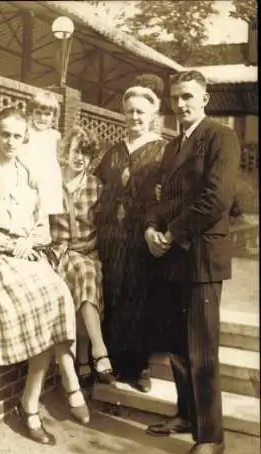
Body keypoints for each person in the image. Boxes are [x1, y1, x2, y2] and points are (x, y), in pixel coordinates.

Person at [0, 107, 90, 446]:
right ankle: (64, 383)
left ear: (24, 139)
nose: (11, 141)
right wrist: (10, 245)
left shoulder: (29, 174)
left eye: (17, 136)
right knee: (42, 298)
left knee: (59, 292)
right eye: (5, 134)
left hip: (24, 252)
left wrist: (26, 243)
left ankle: (32, 399)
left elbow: (42, 229)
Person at [144, 70, 241, 454]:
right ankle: (186, 415)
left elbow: (217, 200)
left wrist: (171, 233)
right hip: (172, 256)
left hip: (200, 256)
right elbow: (159, 196)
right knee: (178, 347)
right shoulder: (172, 146)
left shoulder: (222, 137)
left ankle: (210, 437)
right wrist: (151, 227)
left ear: (205, 97)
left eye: (188, 96)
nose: (180, 104)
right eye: (175, 98)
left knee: (202, 352)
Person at [95, 76, 168, 392]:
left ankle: (139, 368)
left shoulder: (163, 151)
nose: (134, 118)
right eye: (129, 112)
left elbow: (166, 195)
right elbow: (97, 188)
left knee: (139, 298)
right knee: (111, 295)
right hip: (110, 236)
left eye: (140, 112)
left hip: (141, 237)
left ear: (152, 114)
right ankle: (109, 364)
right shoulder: (114, 151)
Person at [49, 126, 115, 390]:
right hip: (59, 252)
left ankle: (86, 358)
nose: (80, 158)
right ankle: (99, 352)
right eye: (76, 151)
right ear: (66, 151)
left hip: (89, 251)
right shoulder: (50, 182)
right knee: (84, 275)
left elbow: (106, 224)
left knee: (86, 275)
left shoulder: (96, 186)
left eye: (86, 154)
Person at [19, 89, 63, 216]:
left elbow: (56, 160)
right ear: (31, 112)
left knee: (44, 217)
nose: (42, 118)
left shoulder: (55, 136)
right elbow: (19, 155)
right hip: (27, 179)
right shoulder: (25, 131)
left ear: (53, 116)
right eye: (38, 113)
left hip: (47, 183)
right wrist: (30, 171)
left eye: (47, 114)